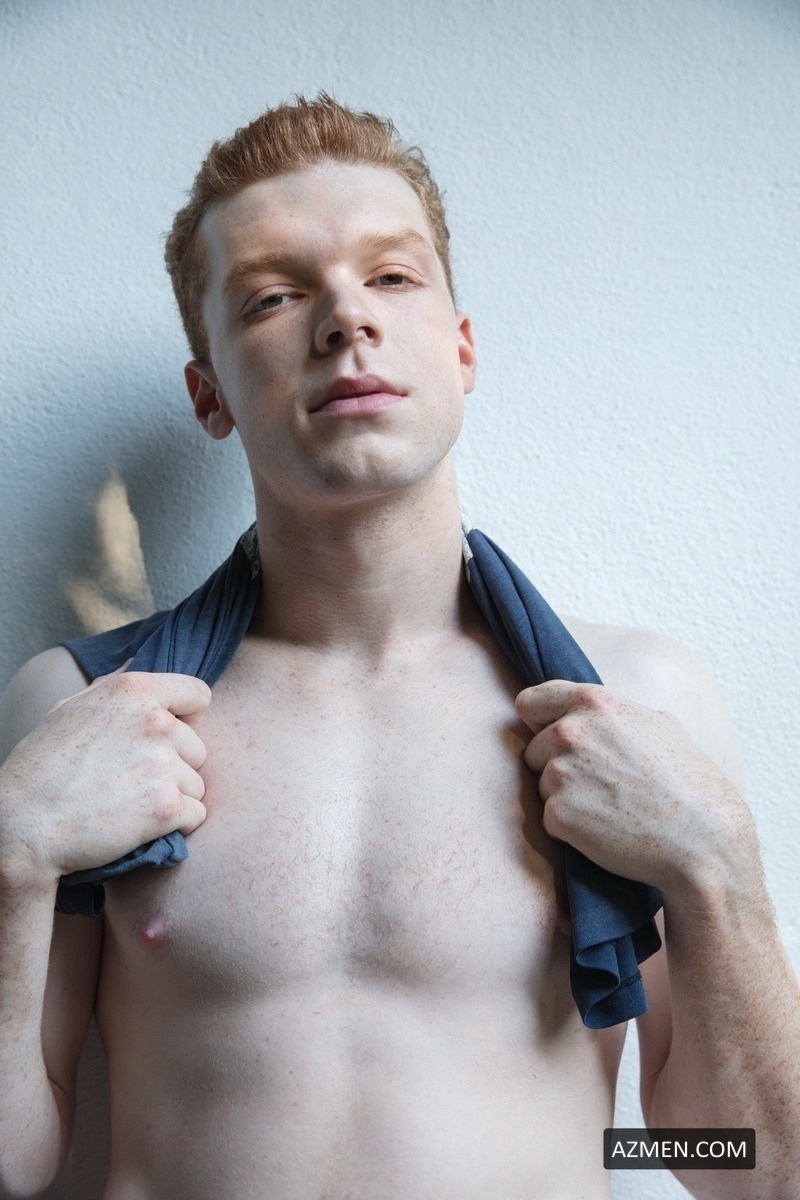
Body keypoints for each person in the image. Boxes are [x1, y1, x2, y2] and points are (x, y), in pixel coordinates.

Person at [0, 93, 797, 1200]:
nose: (346, 320)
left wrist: (719, 866)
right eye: (275, 297)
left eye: (391, 276)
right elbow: (16, 1162)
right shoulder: (87, 709)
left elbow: (746, 1168)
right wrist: (10, 853)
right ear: (209, 392)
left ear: (461, 349)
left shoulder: (633, 701)